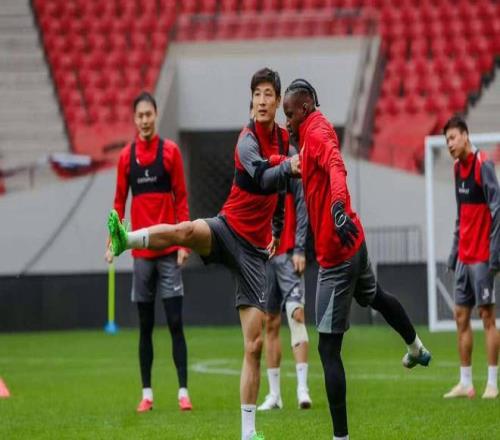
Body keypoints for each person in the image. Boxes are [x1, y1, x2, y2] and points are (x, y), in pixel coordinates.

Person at [107, 68, 299, 440]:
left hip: (254, 253)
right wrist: (289, 165)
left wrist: (277, 229)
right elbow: (263, 176)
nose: (261, 101)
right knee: (186, 230)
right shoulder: (246, 140)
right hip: (227, 230)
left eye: (267, 94)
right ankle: (125, 239)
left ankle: (248, 433)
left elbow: (279, 190)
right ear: (251, 100)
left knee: (254, 344)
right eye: (256, 94)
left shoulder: (283, 139)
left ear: (278, 101)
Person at [282, 79, 431, 440]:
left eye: (289, 114)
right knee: (374, 295)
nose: (286, 121)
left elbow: (336, 167)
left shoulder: (317, 133)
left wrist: (336, 206)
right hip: (354, 240)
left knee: (327, 348)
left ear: (304, 108)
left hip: (337, 255)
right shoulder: (309, 133)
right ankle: (415, 347)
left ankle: (341, 437)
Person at [105, 91, 193, 413]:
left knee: (175, 323)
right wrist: (112, 242)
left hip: (169, 252)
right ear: (134, 119)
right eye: (139, 116)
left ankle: (183, 392)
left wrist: (183, 243)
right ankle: (147, 394)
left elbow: (182, 199)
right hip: (141, 258)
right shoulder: (126, 158)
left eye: (149, 115)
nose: (144, 120)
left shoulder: (170, 153)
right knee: (145, 327)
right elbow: (118, 203)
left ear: (156, 116)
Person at [443, 116, 499, 400]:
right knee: (460, 316)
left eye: (453, 138)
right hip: (464, 257)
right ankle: (466, 382)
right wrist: (454, 253)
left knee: (487, 316)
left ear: (465, 135)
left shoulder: (483, 165)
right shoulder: (457, 169)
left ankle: (492, 382)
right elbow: (460, 214)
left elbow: (497, 211)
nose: (450, 145)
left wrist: (495, 254)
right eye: (447, 141)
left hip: (482, 257)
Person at [258, 145, 312, 411]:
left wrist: (300, 248)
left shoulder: (290, 155)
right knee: (270, 322)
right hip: (264, 256)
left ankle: (302, 389)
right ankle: (274, 395)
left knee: (296, 315)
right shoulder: (252, 157)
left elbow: (302, 205)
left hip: (290, 253)